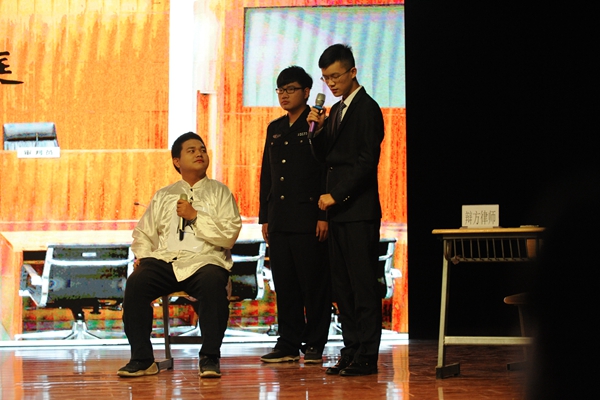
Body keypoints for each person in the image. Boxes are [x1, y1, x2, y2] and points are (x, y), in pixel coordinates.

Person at [117, 132, 242, 379]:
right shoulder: (164, 195)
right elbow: (143, 233)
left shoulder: (220, 192)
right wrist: (144, 257)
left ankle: (209, 357)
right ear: (177, 161)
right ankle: (142, 359)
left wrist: (195, 216)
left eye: (202, 149)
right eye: (191, 150)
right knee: (137, 282)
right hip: (167, 261)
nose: (199, 154)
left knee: (213, 282)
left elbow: (229, 235)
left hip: (206, 260)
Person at [307, 44, 385, 376]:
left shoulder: (368, 108)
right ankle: (350, 349)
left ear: (352, 72)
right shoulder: (336, 110)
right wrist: (316, 131)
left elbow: (367, 162)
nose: (331, 83)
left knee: (363, 284)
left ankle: (367, 354)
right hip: (338, 212)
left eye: (336, 76)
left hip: (358, 211)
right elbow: (325, 158)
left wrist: (336, 196)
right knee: (343, 286)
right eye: (326, 78)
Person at [259, 66, 331, 364]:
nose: (284, 95)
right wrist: (264, 216)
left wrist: (324, 215)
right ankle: (288, 342)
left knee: (313, 285)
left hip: (309, 218)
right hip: (279, 218)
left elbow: (326, 170)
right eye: (280, 90)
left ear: (306, 91)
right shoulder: (275, 128)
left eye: (290, 89)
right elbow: (267, 174)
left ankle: (315, 342)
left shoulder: (317, 124)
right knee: (285, 284)